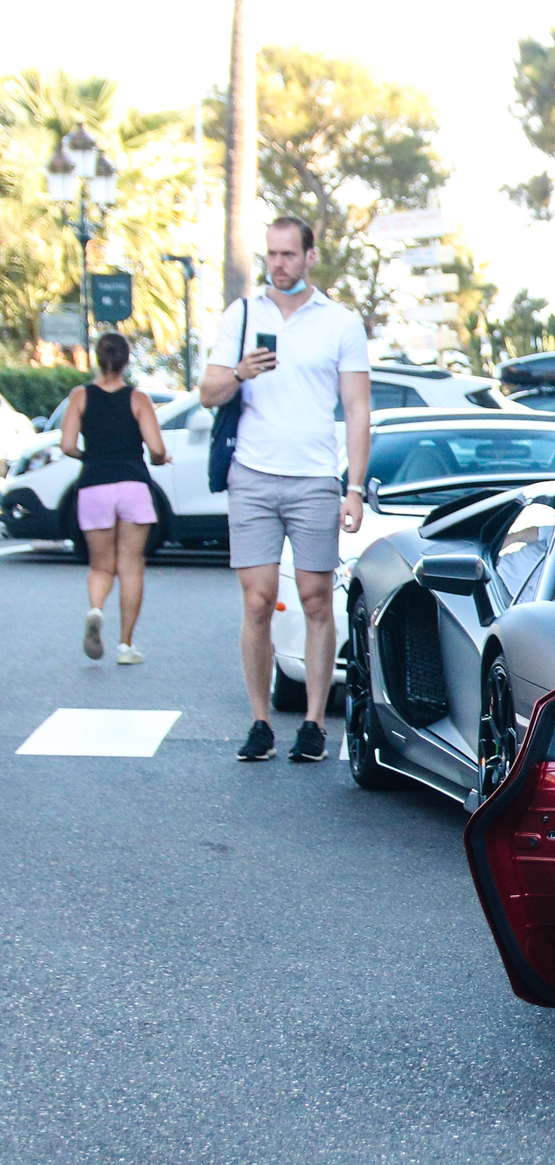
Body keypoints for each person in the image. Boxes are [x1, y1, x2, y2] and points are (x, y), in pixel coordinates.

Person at [199, 215, 372, 764]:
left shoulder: (340, 323)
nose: (278, 264)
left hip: (314, 478)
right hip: (250, 475)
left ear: (309, 256)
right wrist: (243, 372)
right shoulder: (243, 314)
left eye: (289, 255)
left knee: (317, 601)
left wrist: (356, 488)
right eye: (271, 254)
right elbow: (207, 391)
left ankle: (316, 724)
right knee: (256, 600)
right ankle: (259, 722)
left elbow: (357, 409)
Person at [60, 331, 170, 665]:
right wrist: (159, 460)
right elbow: (156, 449)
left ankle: (95, 610)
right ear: (126, 361)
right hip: (133, 485)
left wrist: (90, 457)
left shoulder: (80, 396)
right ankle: (125, 646)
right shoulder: (138, 399)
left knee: (100, 565)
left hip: (94, 484)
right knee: (131, 565)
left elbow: (66, 445)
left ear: (97, 358)